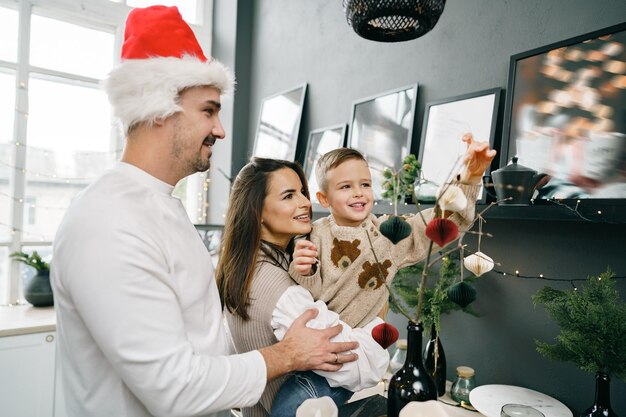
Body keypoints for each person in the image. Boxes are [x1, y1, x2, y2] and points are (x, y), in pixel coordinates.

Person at [51, 6, 358, 417]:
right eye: (209, 111)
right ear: (159, 110)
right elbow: (173, 388)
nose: (220, 129)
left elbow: (203, 342)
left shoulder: (160, 207)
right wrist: (286, 355)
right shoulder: (108, 222)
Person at [217, 158, 389, 417]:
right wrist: (377, 318)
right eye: (288, 196)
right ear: (257, 212)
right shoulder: (281, 290)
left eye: (302, 192)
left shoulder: (245, 266)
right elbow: (356, 365)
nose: (305, 203)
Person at [289, 137, 496, 329]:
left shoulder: (388, 234)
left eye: (365, 184)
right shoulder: (314, 234)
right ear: (324, 199)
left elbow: (437, 222)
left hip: (361, 342)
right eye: (345, 186)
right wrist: (305, 272)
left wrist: (470, 177)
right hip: (317, 334)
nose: (359, 192)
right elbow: (304, 294)